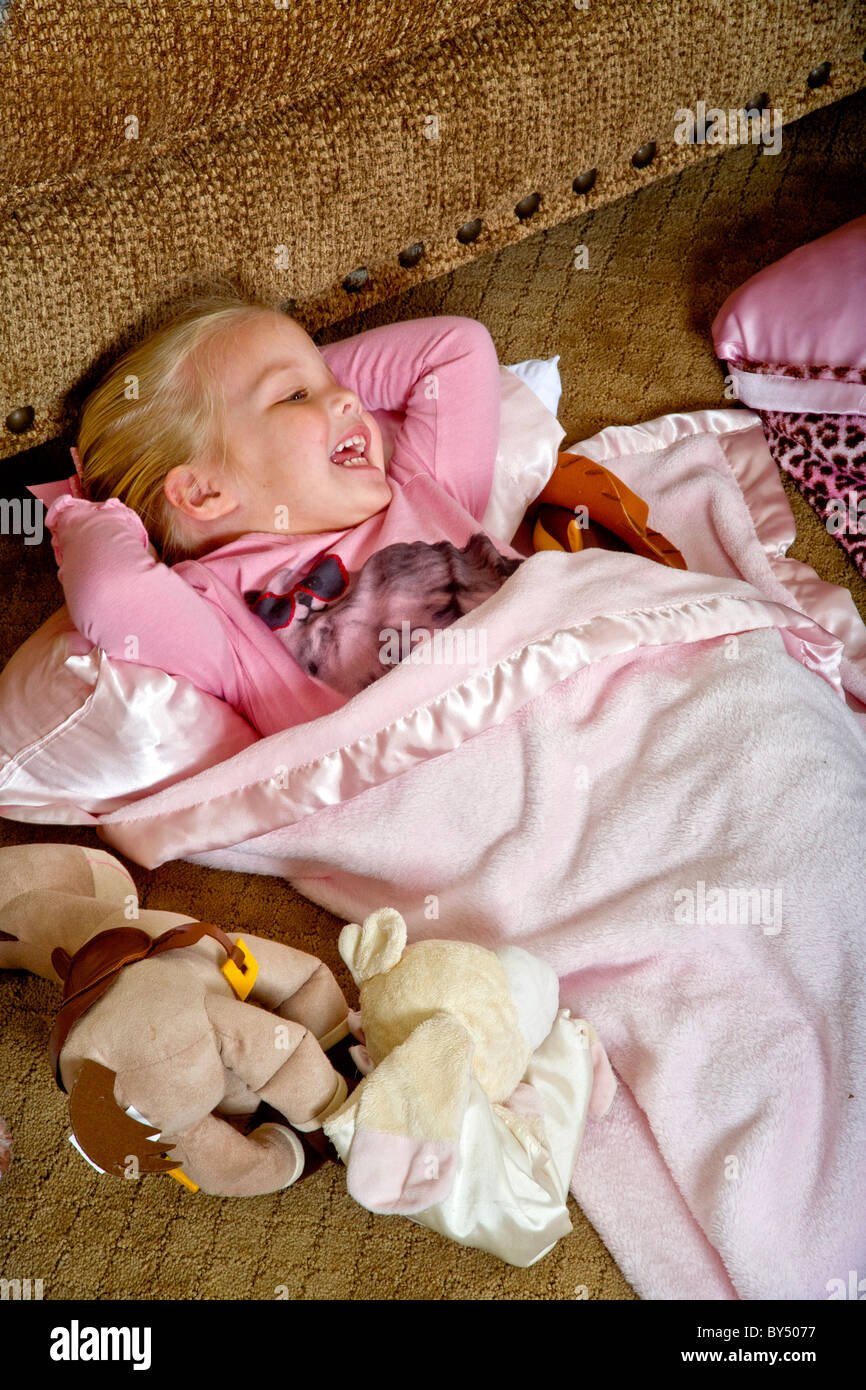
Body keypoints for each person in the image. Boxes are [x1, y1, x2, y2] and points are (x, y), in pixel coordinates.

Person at [45, 295, 526, 735]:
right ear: (204, 490)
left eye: (335, 384)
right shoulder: (220, 619)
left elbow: (455, 349)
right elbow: (110, 590)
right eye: (295, 396)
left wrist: (302, 376)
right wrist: (85, 510)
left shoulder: (422, 488)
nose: (351, 399)